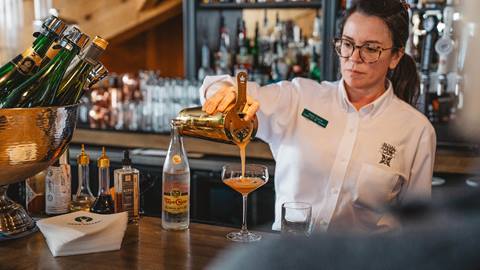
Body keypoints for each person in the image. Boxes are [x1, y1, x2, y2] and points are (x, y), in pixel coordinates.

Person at [200, 0, 436, 233]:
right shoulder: (300, 97)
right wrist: (221, 92)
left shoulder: (416, 130)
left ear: (395, 56)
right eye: (347, 44)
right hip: (288, 255)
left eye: (371, 48)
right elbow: (233, 88)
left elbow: (416, 228)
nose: (354, 57)